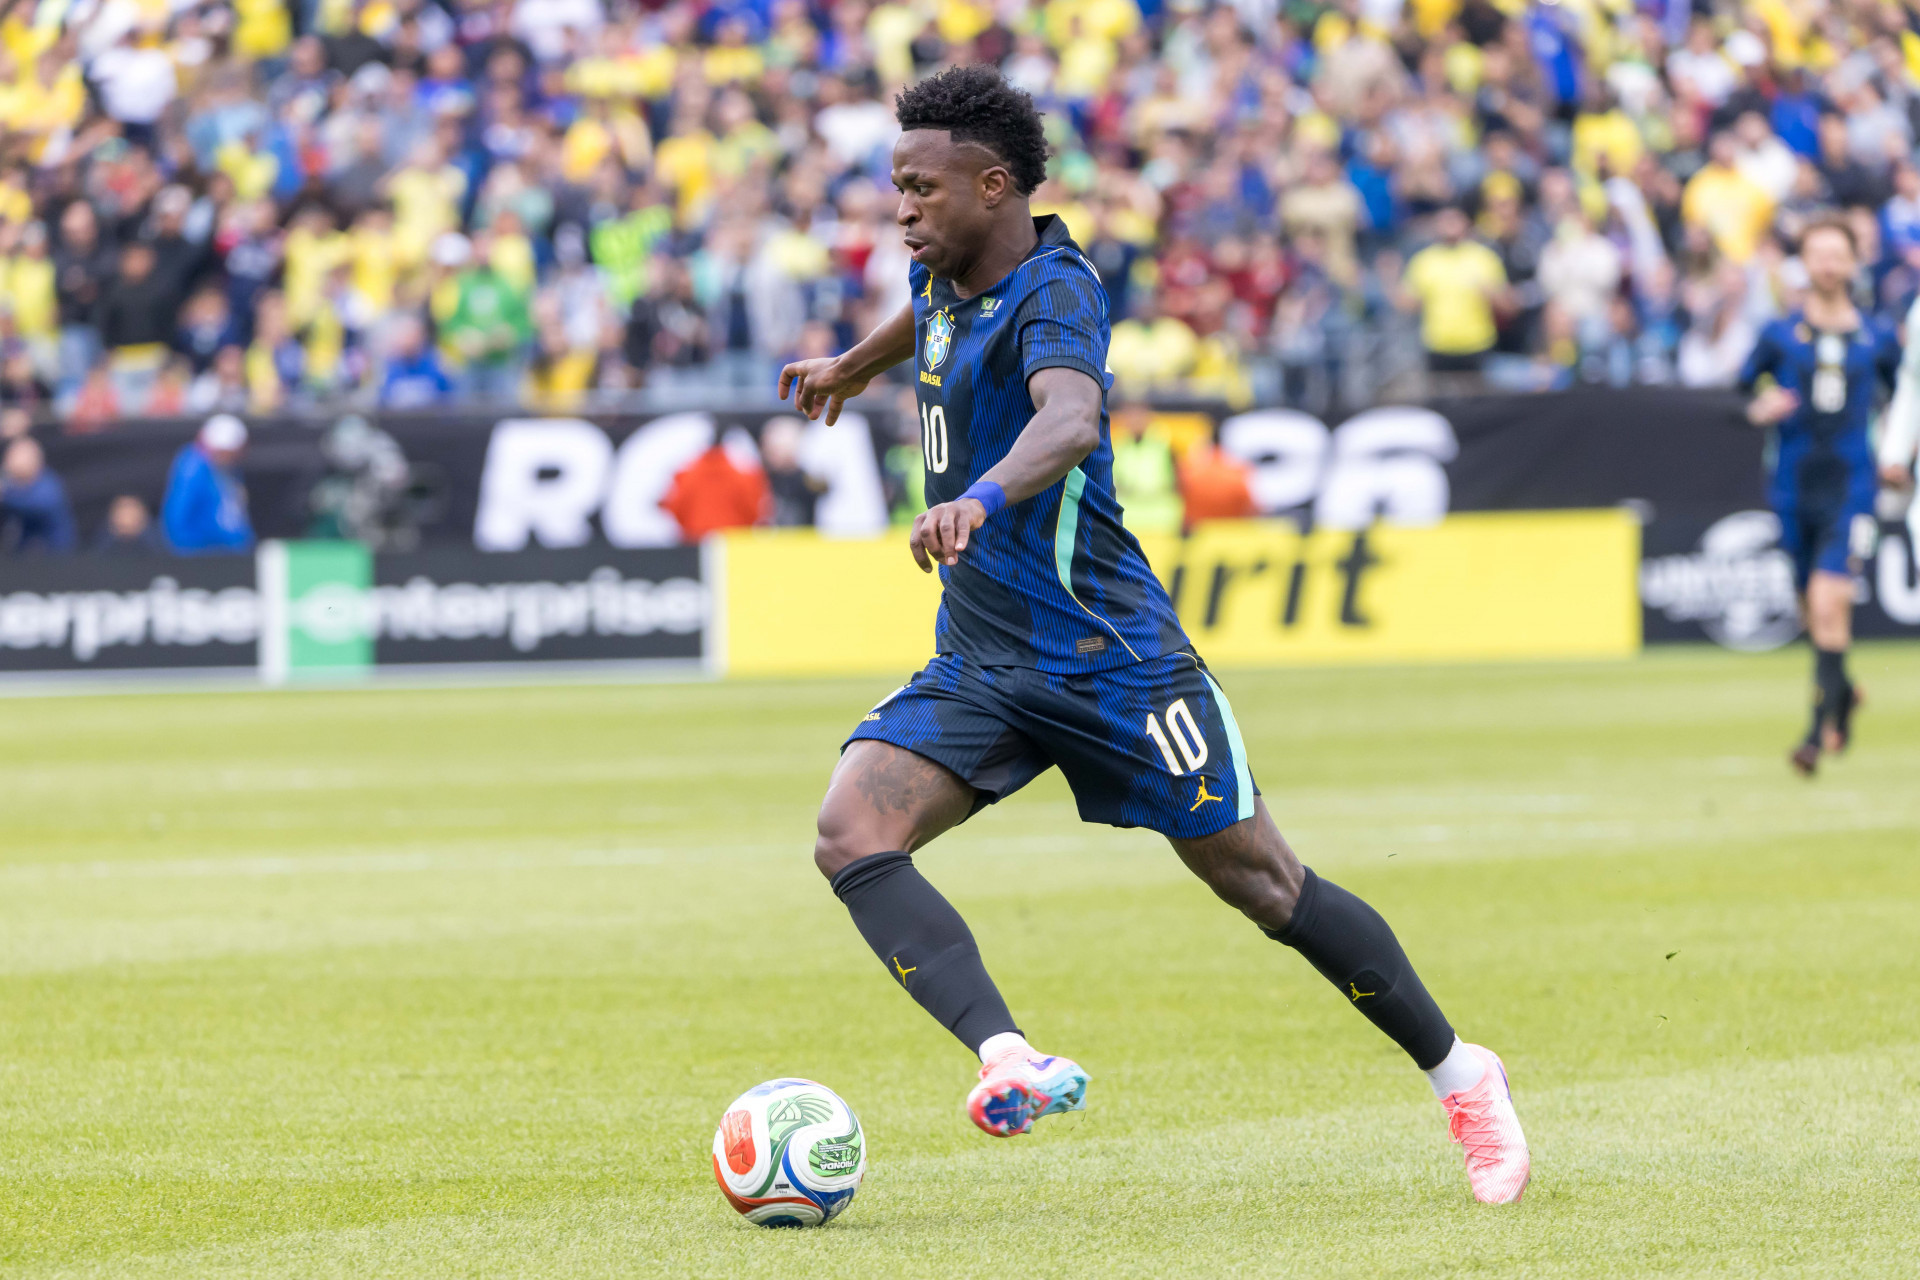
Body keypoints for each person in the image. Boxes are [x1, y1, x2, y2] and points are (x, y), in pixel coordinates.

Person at [776, 66, 1529, 1205]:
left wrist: (979, 495)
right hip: (982, 658)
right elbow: (923, 323)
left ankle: (1463, 1074)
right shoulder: (940, 273)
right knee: (850, 831)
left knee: (1265, 884)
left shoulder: (1057, 291)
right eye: (898, 188)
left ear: (995, 187)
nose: (902, 210)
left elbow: (1072, 417)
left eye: (921, 189)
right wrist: (852, 365)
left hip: (1113, 659)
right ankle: (1009, 1056)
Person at [1739, 218, 1899, 776]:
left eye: (1837, 254)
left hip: (1853, 485)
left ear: (1854, 262)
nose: (1828, 265)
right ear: (1804, 263)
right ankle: (1844, 692)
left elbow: (1906, 400)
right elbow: (1743, 387)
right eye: (1818, 254)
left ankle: (1814, 734)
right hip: (1792, 485)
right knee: (1812, 608)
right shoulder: (1780, 334)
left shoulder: (1878, 337)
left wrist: (1900, 455)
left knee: (1831, 604)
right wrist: (1759, 406)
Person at [1398, 206, 1510, 387]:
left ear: (1465, 223)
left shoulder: (1483, 258)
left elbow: (1507, 305)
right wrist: (1390, 279)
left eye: (1454, 220)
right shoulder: (1424, 261)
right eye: (1445, 221)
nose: (1449, 226)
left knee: (1479, 399)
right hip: (1437, 345)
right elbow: (1407, 305)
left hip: (1477, 344)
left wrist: (1491, 294)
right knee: (1439, 398)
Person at [162, 413, 255, 553]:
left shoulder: (230, 471)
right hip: (202, 555)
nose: (226, 455)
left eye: (230, 451)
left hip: (230, 553)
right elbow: (177, 520)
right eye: (221, 450)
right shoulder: (193, 467)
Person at [0, 436, 76, 552]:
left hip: (56, 557)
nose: (9, 462)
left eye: (15, 457)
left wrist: (5, 496)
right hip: (24, 554)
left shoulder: (49, 484)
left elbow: (37, 506)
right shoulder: (12, 483)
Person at [95, 494, 163, 553]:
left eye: (131, 514)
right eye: (122, 513)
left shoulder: (156, 549)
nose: (127, 518)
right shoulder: (101, 548)